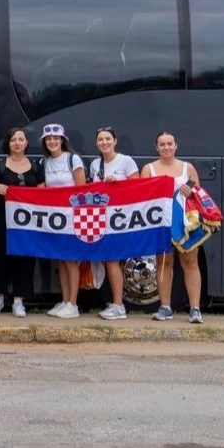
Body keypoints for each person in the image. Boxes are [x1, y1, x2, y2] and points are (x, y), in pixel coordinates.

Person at [143, 131, 203, 324]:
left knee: (190, 262)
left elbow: (199, 195)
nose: (166, 147)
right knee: (163, 264)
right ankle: (165, 306)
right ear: (156, 147)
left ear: (176, 146)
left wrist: (190, 192)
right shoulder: (148, 169)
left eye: (170, 144)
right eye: (162, 144)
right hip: (161, 222)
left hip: (186, 222)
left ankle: (195, 309)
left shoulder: (188, 168)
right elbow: (143, 197)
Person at [0, 128, 38, 318]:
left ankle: (18, 300)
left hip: (28, 223)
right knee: (0, 256)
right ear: (8, 143)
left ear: (26, 143)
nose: (17, 143)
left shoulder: (36, 165)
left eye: (20, 139)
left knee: (25, 259)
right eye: (13, 139)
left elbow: (43, 192)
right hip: (1, 219)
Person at [90, 127, 140, 321]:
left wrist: (118, 183)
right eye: (100, 139)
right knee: (107, 261)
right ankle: (115, 302)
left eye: (108, 139)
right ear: (96, 143)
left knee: (112, 260)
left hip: (121, 218)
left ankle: (119, 306)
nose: (104, 142)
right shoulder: (95, 164)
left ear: (115, 141)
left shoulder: (126, 161)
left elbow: (138, 188)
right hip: (101, 219)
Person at [38, 123, 87, 319]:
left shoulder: (73, 159)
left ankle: (73, 303)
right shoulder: (44, 162)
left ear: (62, 140)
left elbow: (81, 190)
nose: (52, 141)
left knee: (70, 260)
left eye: (56, 138)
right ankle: (65, 300)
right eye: (48, 139)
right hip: (55, 219)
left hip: (72, 218)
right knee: (61, 260)